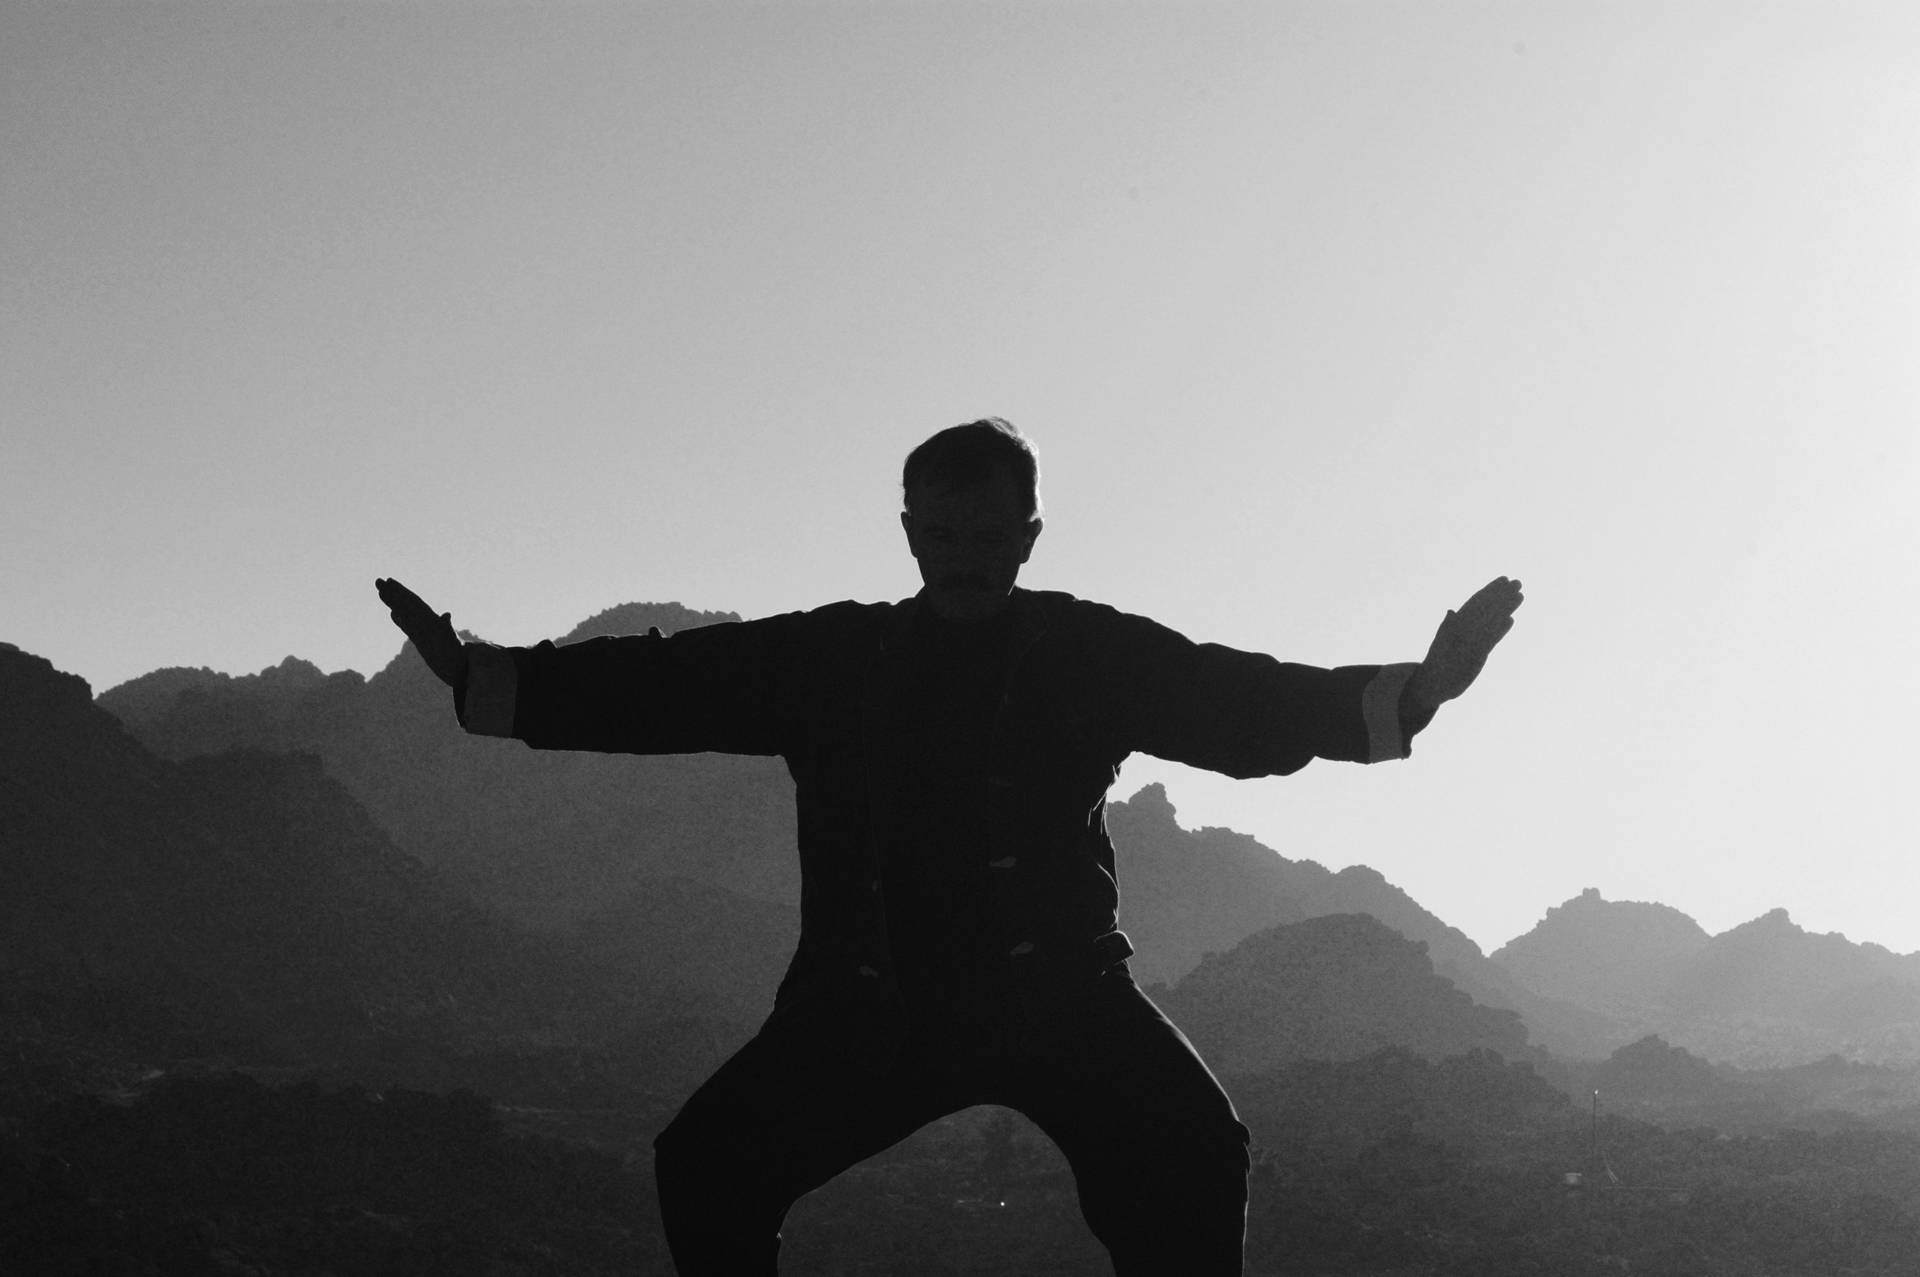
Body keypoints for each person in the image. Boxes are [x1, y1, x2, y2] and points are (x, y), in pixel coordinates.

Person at [376, 418, 1523, 1276]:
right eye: (945, 533)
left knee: (1196, 1152)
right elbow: (668, 684)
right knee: (706, 1164)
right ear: (911, 530)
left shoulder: (1085, 651)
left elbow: (1234, 703)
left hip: (1063, 994)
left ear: (1028, 535)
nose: (967, 558)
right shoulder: (835, 661)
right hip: (869, 1002)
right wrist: (490, 676)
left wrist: (1415, 692)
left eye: (991, 536)